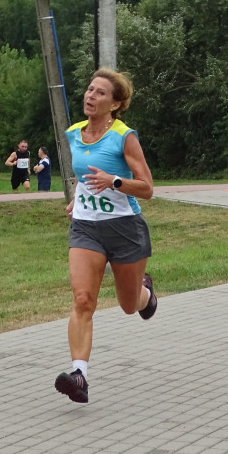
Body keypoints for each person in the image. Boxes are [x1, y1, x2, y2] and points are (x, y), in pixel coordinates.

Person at [55, 68, 157, 404]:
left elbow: (146, 188)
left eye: (100, 93)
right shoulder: (73, 134)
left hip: (125, 228)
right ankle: (79, 375)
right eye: (89, 90)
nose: (90, 96)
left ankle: (146, 294)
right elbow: (86, 178)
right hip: (86, 227)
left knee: (129, 306)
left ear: (115, 104)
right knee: (83, 299)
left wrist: (115, 181)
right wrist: (79, 199)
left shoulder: (123, 136)